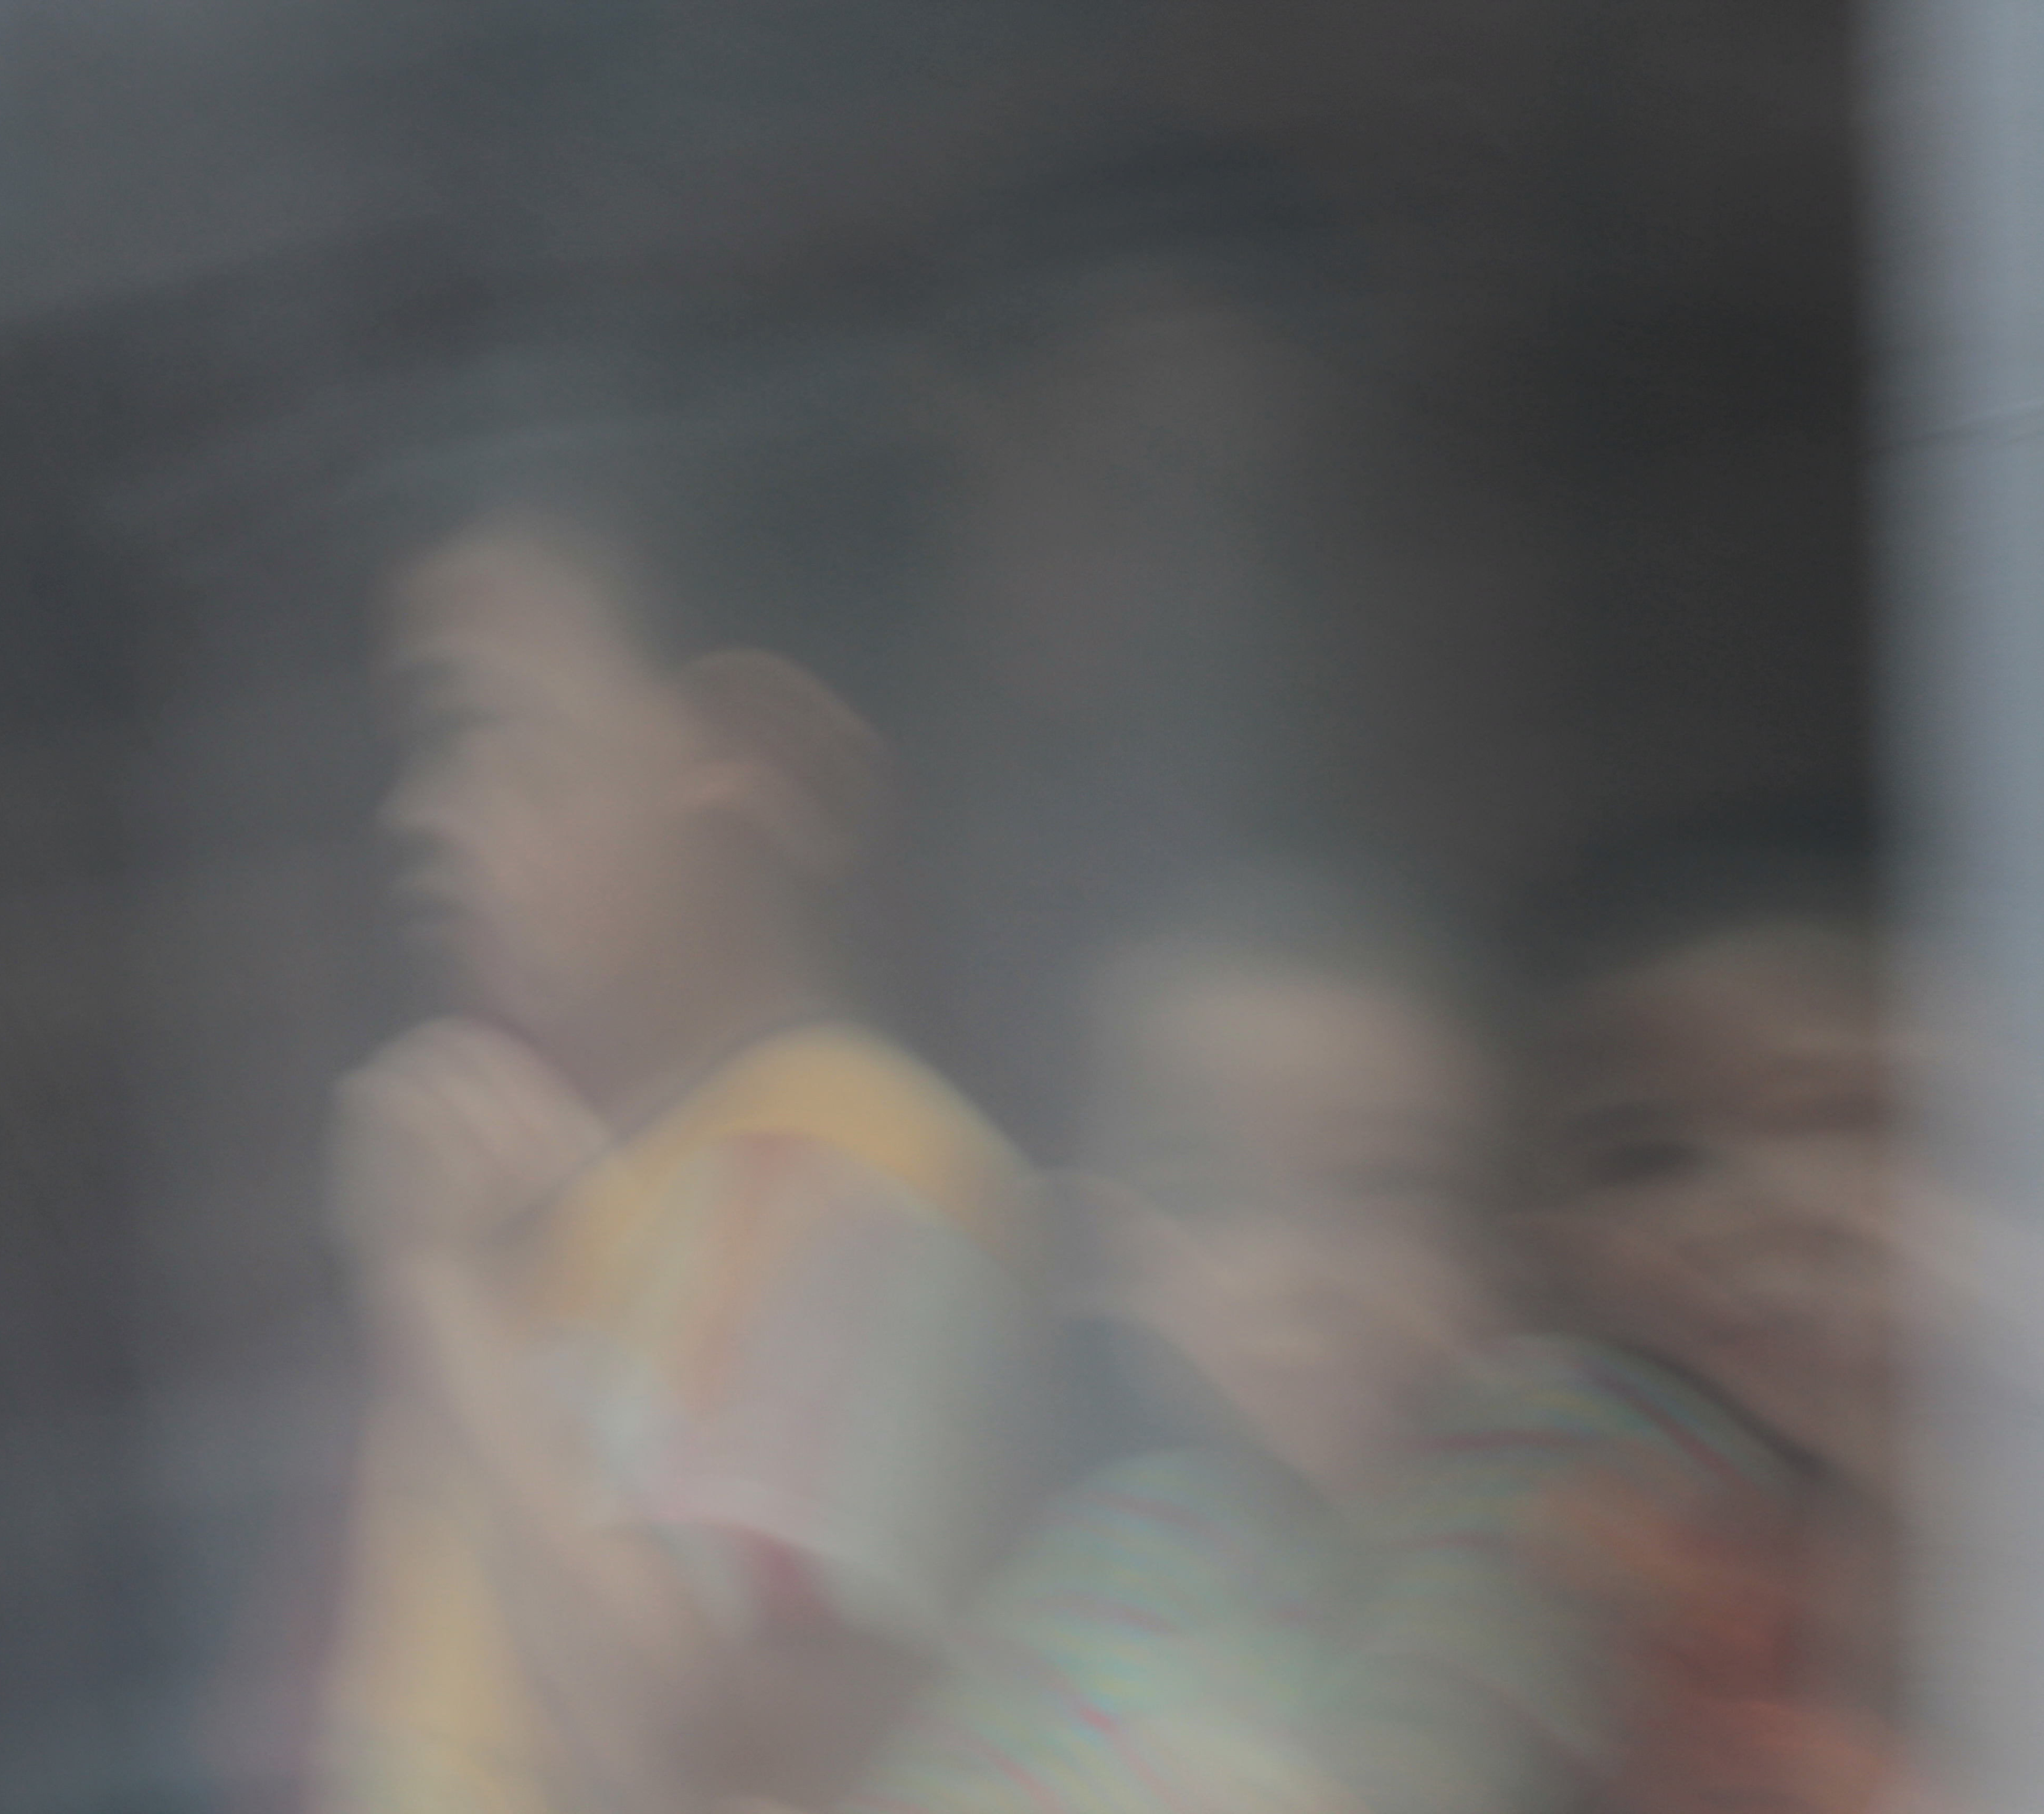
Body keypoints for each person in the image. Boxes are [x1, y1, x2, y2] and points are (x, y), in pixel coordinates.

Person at [312, 397, 1043, 1814]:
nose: (422, 811)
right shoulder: (528, 1195)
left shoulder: (868, 1172)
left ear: (740, 756)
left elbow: (700, 1760)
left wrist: (433, 1295)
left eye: (482, 731)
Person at [846, 870, 1498, 1814]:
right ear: (1103, 1252)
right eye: (1204, 1199)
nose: (1298, 1275)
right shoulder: (1114, 1564)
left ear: (1503, 1240)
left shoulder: (1543, 1529)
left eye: (1386, 1185)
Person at [1319, 815, 1926, 1814]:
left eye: (1846, 1115)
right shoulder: (1573, 1456)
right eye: (1646, 1160)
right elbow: (1436, 1721)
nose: (1754, 1209)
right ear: (1543, 1242)